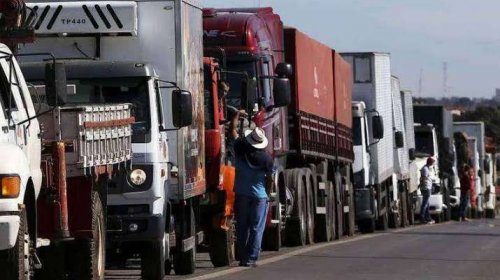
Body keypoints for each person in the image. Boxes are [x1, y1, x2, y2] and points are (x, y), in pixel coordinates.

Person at [230, 111, 273, 267]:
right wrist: (267, 195)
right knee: (256, 228)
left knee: (241, 226)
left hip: (241, 193)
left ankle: (242, 257)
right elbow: (270, 179)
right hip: (259, 197)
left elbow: (233, 131)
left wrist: (235, 116)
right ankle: (251, 258)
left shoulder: (240, 150)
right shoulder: (267, 159)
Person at [419, 157, 435, 224]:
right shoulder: (425, 169)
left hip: (427, 187)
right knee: (425, 203)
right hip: (426, 188)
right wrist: (421, 185)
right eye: (432, 162)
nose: (433, 163)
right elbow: (423, 178)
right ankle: (422, 217)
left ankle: (427, 217)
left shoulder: (427, 168)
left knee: (427, 203)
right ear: (430, 162)